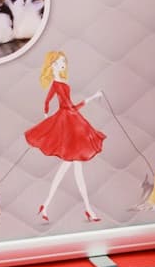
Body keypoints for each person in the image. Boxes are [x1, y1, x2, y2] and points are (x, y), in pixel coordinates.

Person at [26, 49, 106, 223]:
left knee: (68, 171)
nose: (63, 64)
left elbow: (68, 107)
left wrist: (92, 98)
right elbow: (51, 102)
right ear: (53, 65)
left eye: (64, 62)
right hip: (68, 125)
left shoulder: (62, 81)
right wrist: (47, 119)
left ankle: (47, 205)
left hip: (72, 122)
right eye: (60, 62)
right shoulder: (56, 83)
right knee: (74, 172)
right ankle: (88, 210)